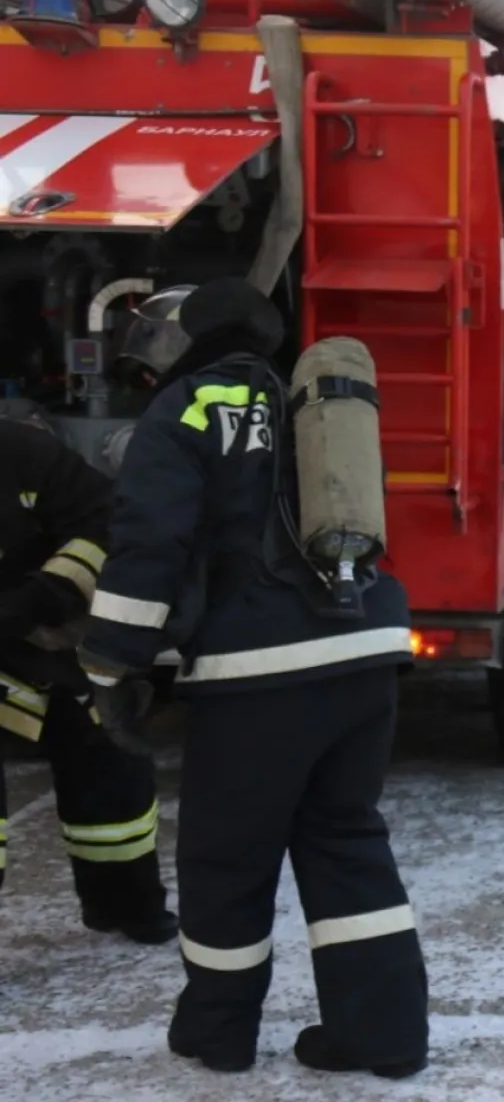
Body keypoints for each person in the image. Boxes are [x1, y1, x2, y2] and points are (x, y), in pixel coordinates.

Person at [77, 278, 429, 1079]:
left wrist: (111, 666)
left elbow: (147, 552)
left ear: (172, 344)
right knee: (346, 842)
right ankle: (385, 1034)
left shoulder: (185, 412)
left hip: (259, 673)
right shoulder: (309, 397)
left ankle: (217, 1033)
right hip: (365, 647)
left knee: (226, 859)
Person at [0, 416, 175, 944]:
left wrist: (45, 597)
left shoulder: (24, 452)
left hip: (49, 639)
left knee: (111, 768)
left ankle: (127, 904)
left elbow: (105, 522)